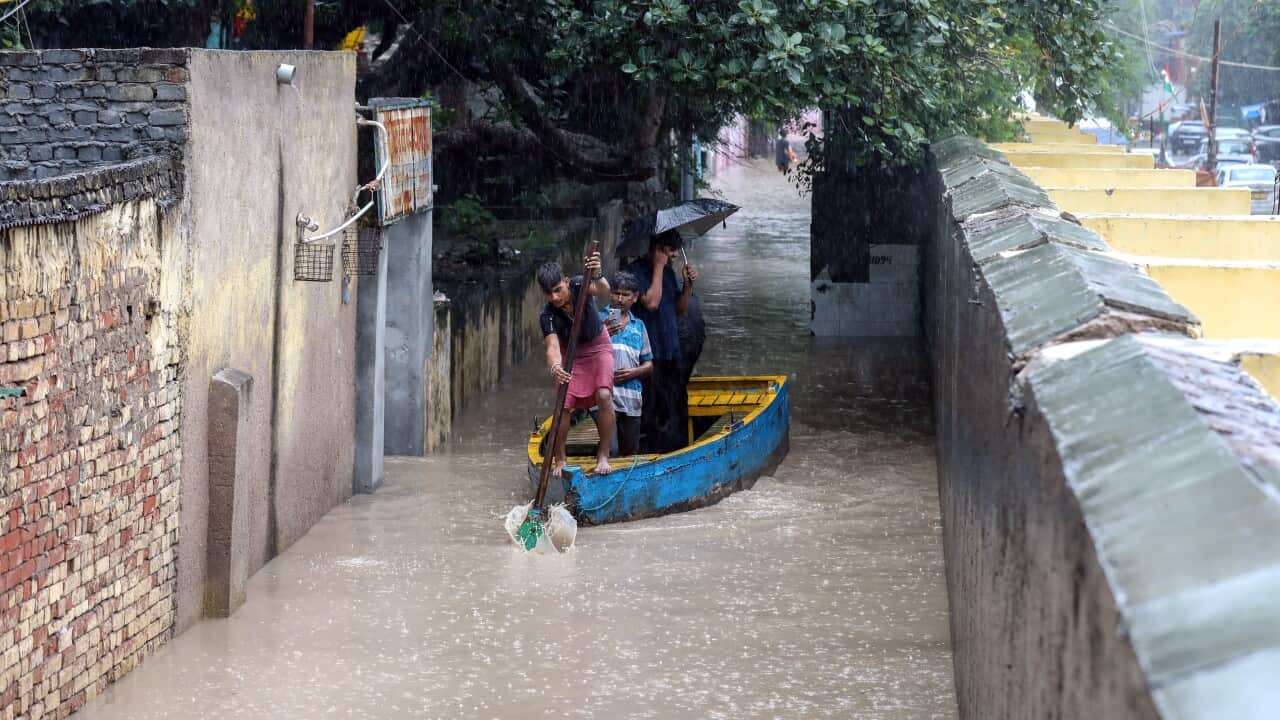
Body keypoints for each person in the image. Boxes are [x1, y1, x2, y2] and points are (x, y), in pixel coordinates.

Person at [538, 254, 614, 475]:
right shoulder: (547, 314)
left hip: (598, 346)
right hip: (569, 354)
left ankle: (604, 454)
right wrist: (555, 367)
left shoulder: (581, 284)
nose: (554, 297)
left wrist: (598, 272)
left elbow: (603, 289)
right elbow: (552, 347)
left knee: (604, 395)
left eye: (558, 289)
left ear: (567, 282)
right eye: (548, 293)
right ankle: (560, 459)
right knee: (564, 404)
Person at [625, 230, 697, 453]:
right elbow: (652, 302)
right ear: (657, 250)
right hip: (647, 355)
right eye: (668, 252)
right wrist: (658, 266)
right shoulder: (634, 272)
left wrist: (687, 285)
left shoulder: (667, 273)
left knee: (674, 407)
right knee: (651, 410)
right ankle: (649, 453)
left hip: (670, 349)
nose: (671, 257)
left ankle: (677, 450)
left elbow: (679, 310)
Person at [599, 271, 653, 457]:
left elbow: (649, 364)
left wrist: (633, 372)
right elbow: (583, 352)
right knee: (611, 450)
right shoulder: (598, 320)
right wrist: (602, 333)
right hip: (604, 397)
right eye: (616, 293)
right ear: (610, 293)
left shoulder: (639, 326)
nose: (620, 299)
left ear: (635, 298)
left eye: (625, 295)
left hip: (631, 399)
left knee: (630, 453)